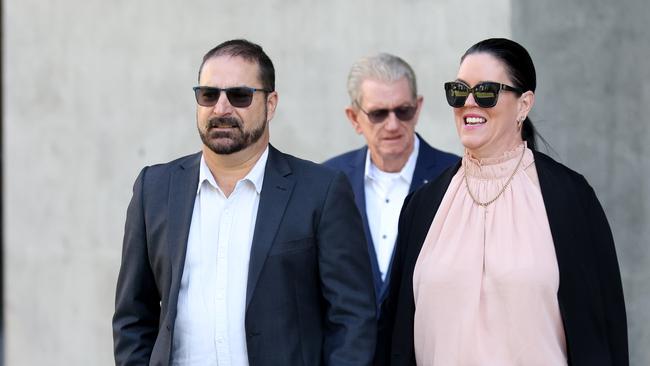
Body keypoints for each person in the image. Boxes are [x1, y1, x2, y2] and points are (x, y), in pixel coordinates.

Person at [112, 39, 377, 366]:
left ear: (270, 104)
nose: (221, 108)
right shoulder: (154, 189)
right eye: (209, 94)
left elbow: (352, 319)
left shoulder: (320, 191)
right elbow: (133, 317)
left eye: (239, 95)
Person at [378, 38, 627, 365]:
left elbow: (604, 329)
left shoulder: (571, 200)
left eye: (485, 92)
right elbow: (394, 334)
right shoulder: (423, 206)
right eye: (458, 91)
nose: (469, 103)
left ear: (524, 104)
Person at [324, 53, 458, 309]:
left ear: (417, 108)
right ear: (354, 118)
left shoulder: (454, 176)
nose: (393, 124)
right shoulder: (329, 180)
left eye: (403, 111)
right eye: (378, 114)